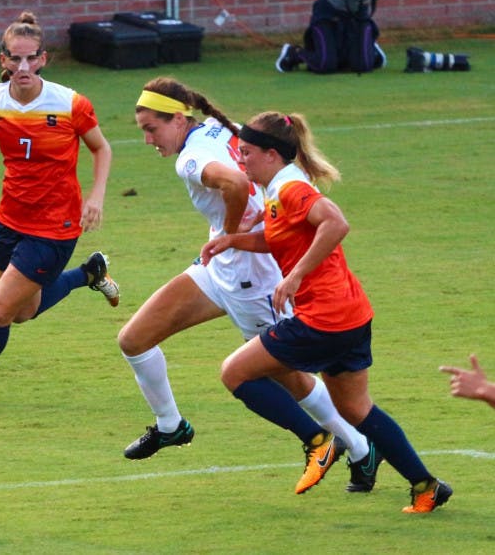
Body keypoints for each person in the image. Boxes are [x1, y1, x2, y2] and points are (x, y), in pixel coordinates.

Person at [124, 77, 374, 495]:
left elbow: (237, 184)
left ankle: (357, 447)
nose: (148, 139)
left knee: (286, 377)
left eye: (152, 129)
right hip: (219, 267)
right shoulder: (220, 128)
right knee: (134, 339)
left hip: (252, 277)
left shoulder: (191, 159)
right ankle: (171, 426)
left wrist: (229, 230)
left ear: (179, 118)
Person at [202, 110, 452, 513]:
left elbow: (336, 223)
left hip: (324, 319)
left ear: (271, 154)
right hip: (351, 314)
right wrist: (233, 240)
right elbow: (280, 237)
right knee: (355, 409)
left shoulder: (291, 189)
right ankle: (427, 486)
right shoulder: (278, 188)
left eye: (245, 152)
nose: (239, 160)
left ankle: (318, 441)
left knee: (235, 373)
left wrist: (295, 276)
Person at [0, 11, 119, 409]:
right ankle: (89, 273)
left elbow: (101, 148)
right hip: (11, 219)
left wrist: (95, 197)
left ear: (43, 58)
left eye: (31, 58)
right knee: (22, 312)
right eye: (15, 58)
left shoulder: (69, 103)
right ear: (4, 60)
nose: (23, 66)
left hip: (56, 225)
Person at [276, 0, 396, 74]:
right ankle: (295, 53)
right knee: (326, 64)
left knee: (363, 65)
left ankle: (370, 50)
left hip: (359, 15)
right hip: (330, 12)